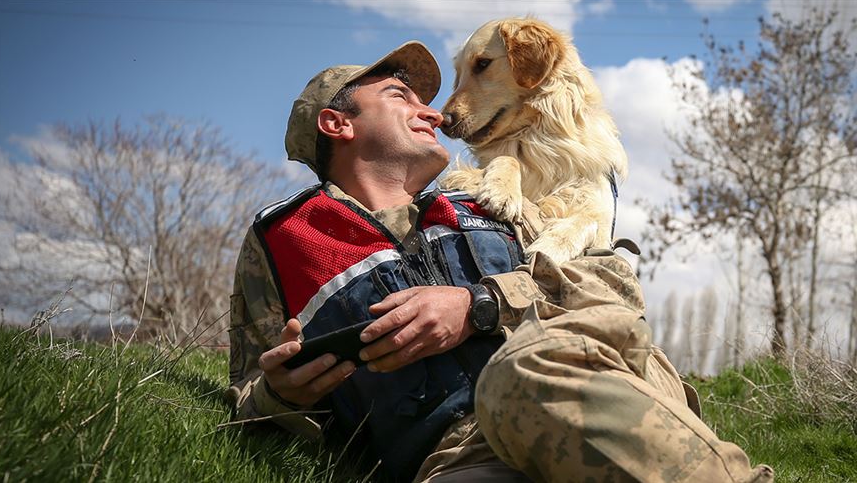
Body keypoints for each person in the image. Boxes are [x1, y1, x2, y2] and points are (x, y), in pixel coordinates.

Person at [225, 41, 773, 483]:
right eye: (400, 94)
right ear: (336, 124)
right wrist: (281, 395)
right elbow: (250, 394)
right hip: (455, 455)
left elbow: (614, 290)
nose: (434, 113)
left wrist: (480, 304)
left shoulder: (491, 198)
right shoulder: (281, 239)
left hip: (585, 386)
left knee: (519, 376)